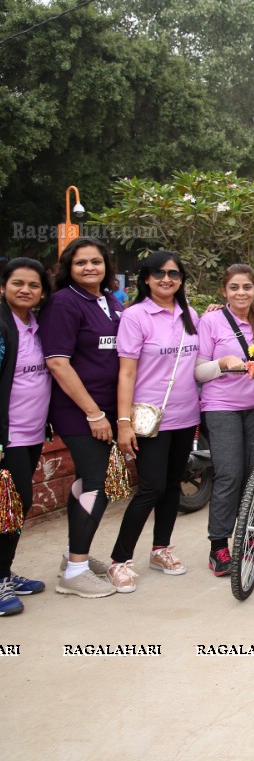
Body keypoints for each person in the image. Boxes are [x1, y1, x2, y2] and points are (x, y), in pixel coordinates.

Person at [107, 252, 204, 592]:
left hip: (185, 415)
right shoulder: (135, 316)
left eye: (174, 273)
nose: (167, 279)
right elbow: (127, 372)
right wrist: (123, 422)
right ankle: (119, 561)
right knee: (151, 488)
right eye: (159, 273)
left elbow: (198, 364)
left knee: (173, 485)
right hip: (151, 419)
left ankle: (160, 549)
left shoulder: (190, 315)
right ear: (146, 278)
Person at [42, 238, 123, 598]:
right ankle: (75, 571)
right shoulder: (63, 303)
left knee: (84, 483)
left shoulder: (109, 302)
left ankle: (74, 556)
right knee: (97, 486)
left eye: (96, 261)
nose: (89, 268)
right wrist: (94, 414)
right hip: (81, 413)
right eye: (80, 263)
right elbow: (58, 363)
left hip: (105, 409)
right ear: (68, 268)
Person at [197, 264, 254, 576]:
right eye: (234, 287)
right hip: (221, 407)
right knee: (229, 474)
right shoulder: (211, 320)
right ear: (224, 291)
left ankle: (250, 538)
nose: (240, 293)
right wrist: (222, 363)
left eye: (246, 287)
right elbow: (198, 370)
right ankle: (218, 546)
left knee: (253, 475)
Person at [0, 259, 53, 614]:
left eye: (33, 285)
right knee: (10, 508)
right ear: (3, 286)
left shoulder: (36, 324)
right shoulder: (2, 327)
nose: (25, 290)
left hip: (32, 433)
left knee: (18, 507)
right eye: (17, 283)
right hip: (8, 436)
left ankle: (5, 571)